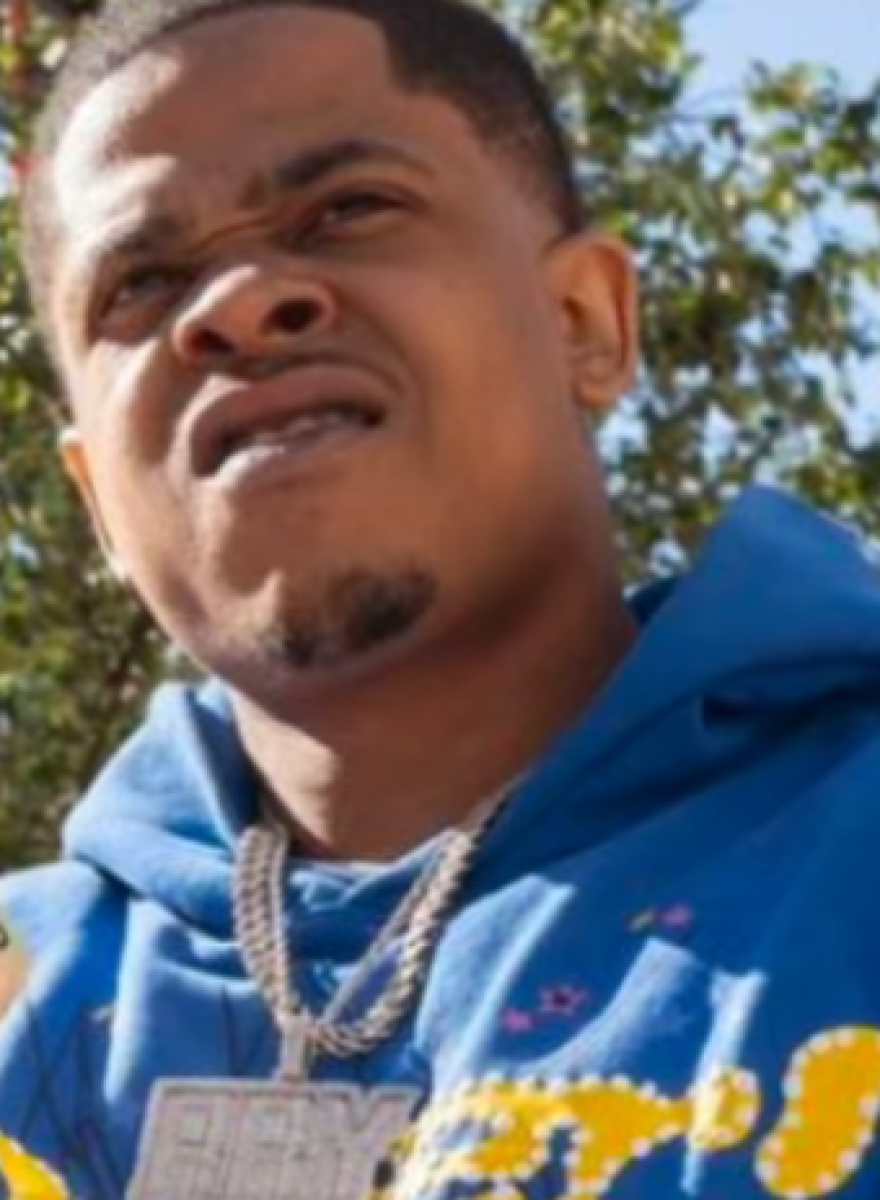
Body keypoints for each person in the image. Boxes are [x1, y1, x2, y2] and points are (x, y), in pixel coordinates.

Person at [3, 0, 880, 1196]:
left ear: (584, 322)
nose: (237, 304)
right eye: (143, 282)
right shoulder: (24, 1002)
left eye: (346, 210)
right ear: (97, 502)